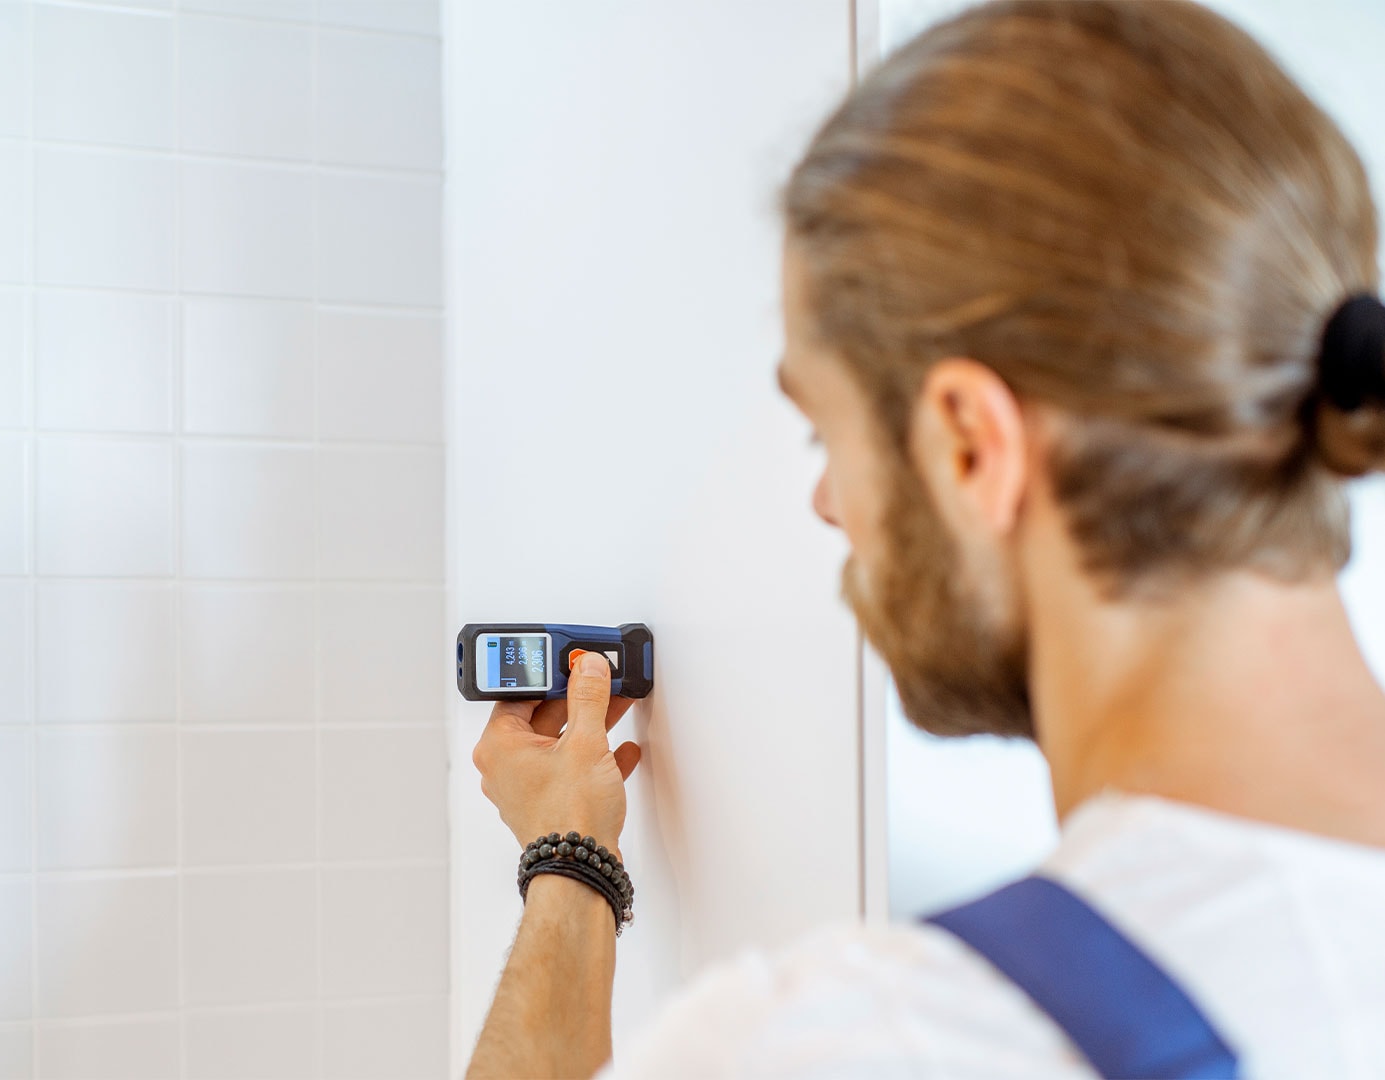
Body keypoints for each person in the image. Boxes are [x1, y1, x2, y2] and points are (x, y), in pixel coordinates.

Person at [466, 1, 1385, 1075]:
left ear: (966, 444)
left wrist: (567, 862)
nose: (825, 506)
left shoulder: (884, 1044)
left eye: (824, 433)